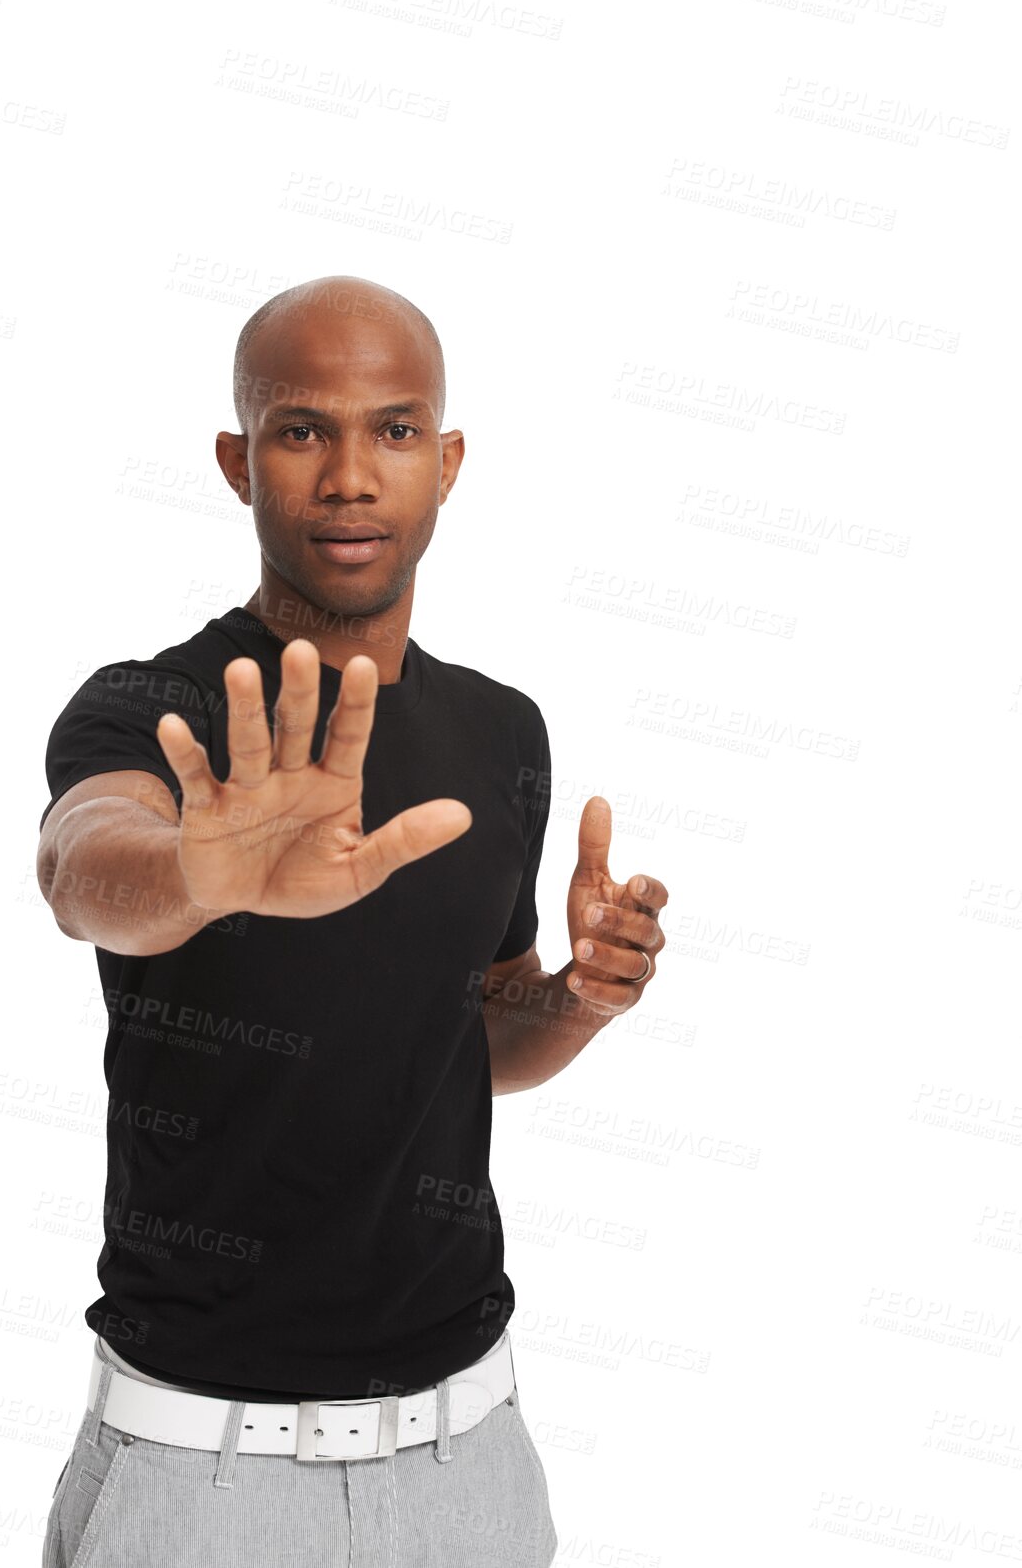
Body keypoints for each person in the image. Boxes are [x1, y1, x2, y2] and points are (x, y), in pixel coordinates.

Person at [35, 274, 668, 1567]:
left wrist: (579, 1002)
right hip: (201, 1475)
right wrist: (202, 875)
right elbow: (80, 865)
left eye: (392, 430)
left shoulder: (504, 732)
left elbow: (475, 1037)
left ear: (445, 464)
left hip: (470, 1460)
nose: (349, 477)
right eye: (302, 429)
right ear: (237, 461)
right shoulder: (152, 705)